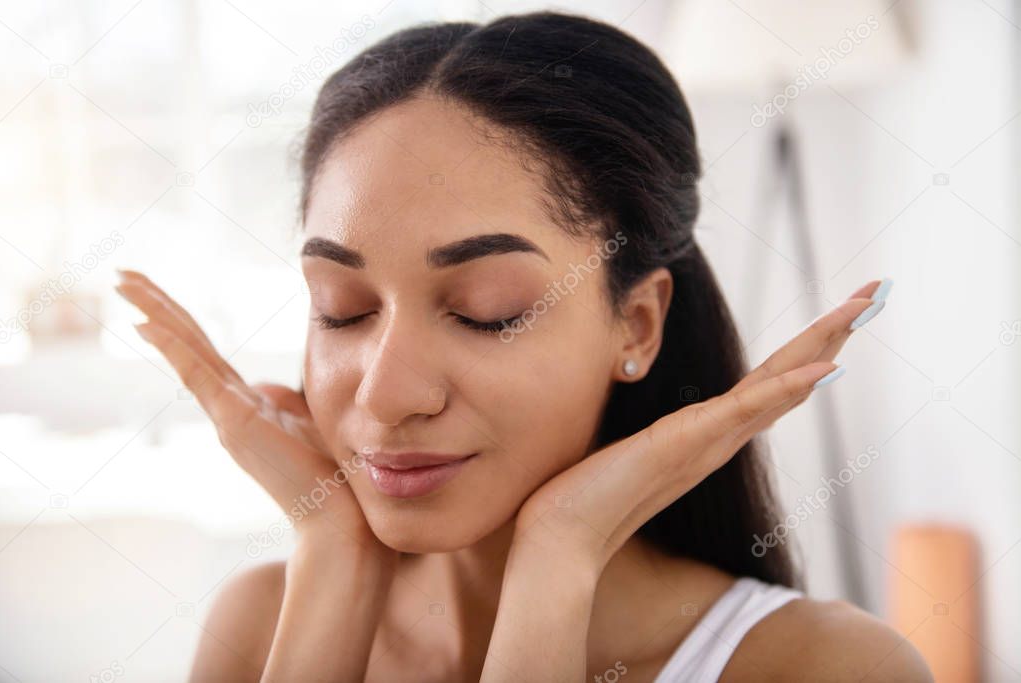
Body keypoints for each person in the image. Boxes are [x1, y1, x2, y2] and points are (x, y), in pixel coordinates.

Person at [115, 10, 931, 681]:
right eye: (344, 308)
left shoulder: (823, 666)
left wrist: (557, 565)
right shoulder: (261, 624)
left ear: (636, 324)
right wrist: (334, 559)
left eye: (485, 311)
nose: (385, 393)